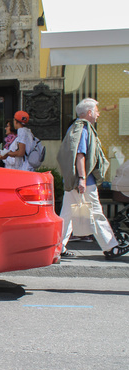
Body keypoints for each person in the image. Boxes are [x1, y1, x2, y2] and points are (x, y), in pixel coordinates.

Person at [57, 98, 129, 259]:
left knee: (66, 216)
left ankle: (57, 248)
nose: (98, 114)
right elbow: (80, 155)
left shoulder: (75, 128)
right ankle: (112, 248)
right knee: (96, 213)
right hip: (83, 182)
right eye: (96, 111)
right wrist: (82, 178)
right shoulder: (83, 129)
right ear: (89, 112)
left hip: (72, 181)